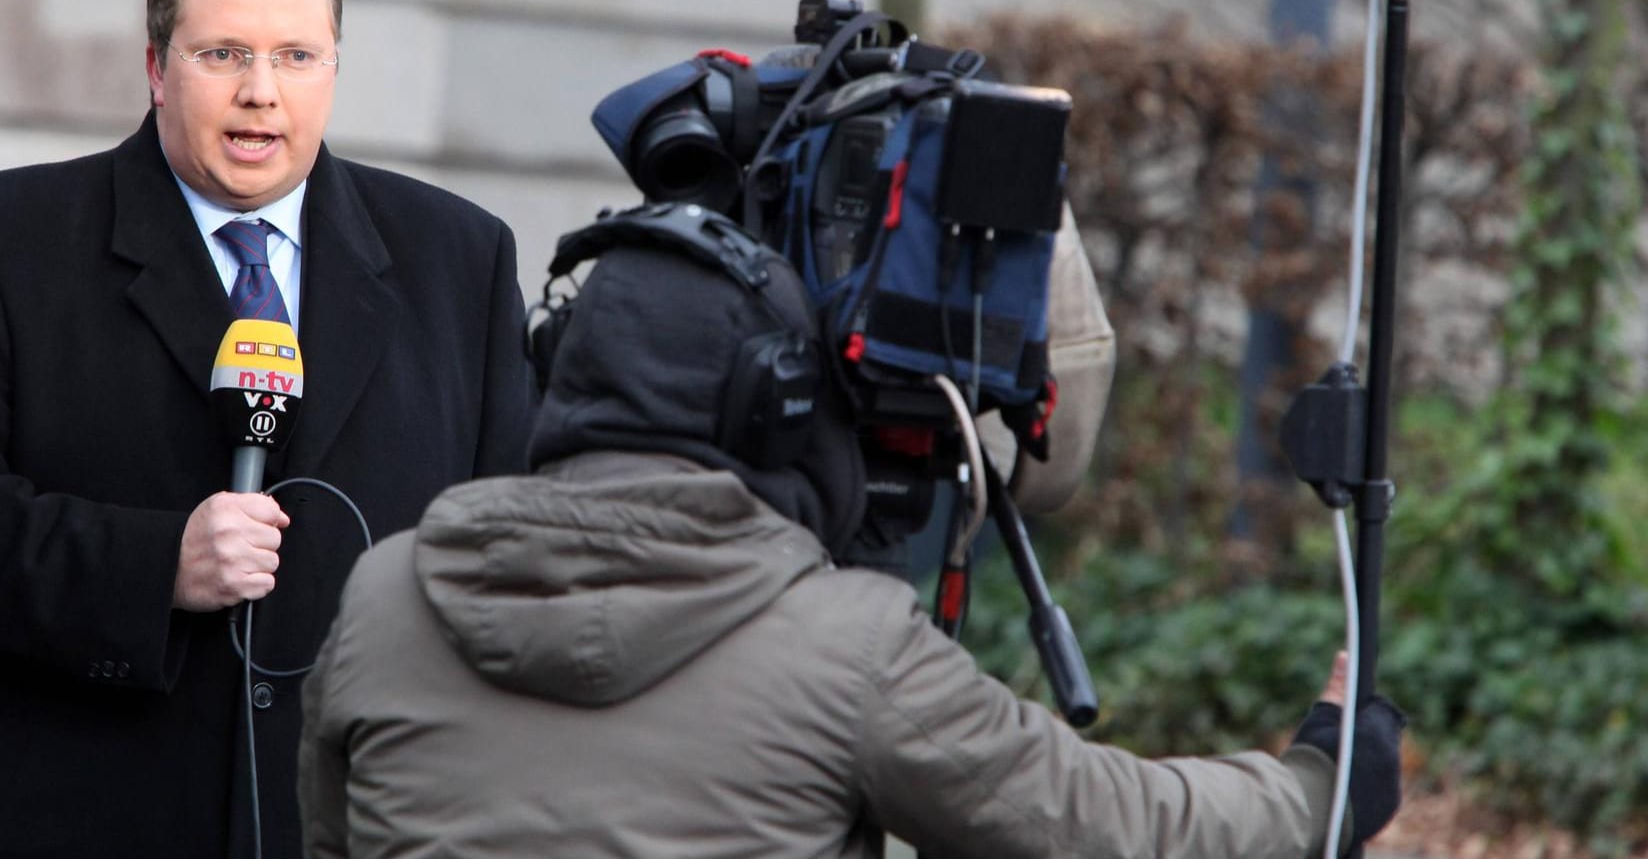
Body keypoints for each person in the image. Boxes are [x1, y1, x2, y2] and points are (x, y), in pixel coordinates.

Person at [298, 204, 1404, 858]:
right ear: (768, 407)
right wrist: (1321, 786)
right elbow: (1100, 825)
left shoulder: (383, 600)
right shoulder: (847, 648)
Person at [0, 0, 537, 859]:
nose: (262, 92)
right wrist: (155, 566)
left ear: (334, 65)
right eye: (223, 54)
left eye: (297, 56)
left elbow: (507, 547)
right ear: (155, 67)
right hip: (64, 817)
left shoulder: (459, 257)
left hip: (353, 821)